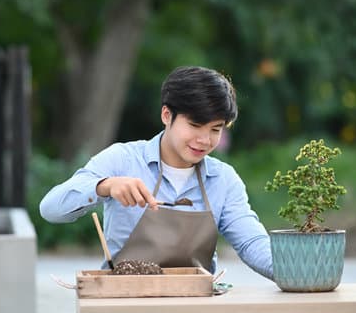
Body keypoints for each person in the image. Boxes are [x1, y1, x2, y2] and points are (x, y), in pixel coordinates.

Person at [40, 66, 273, 280]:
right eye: (194, 125)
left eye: (215, 129)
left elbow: (252, 243)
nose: (204, 140)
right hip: (123, 302)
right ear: (166, 115)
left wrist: (301, 275)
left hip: (195, 304)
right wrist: (104, 186)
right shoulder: (123, 159)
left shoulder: (223, 179)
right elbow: (50, 209)